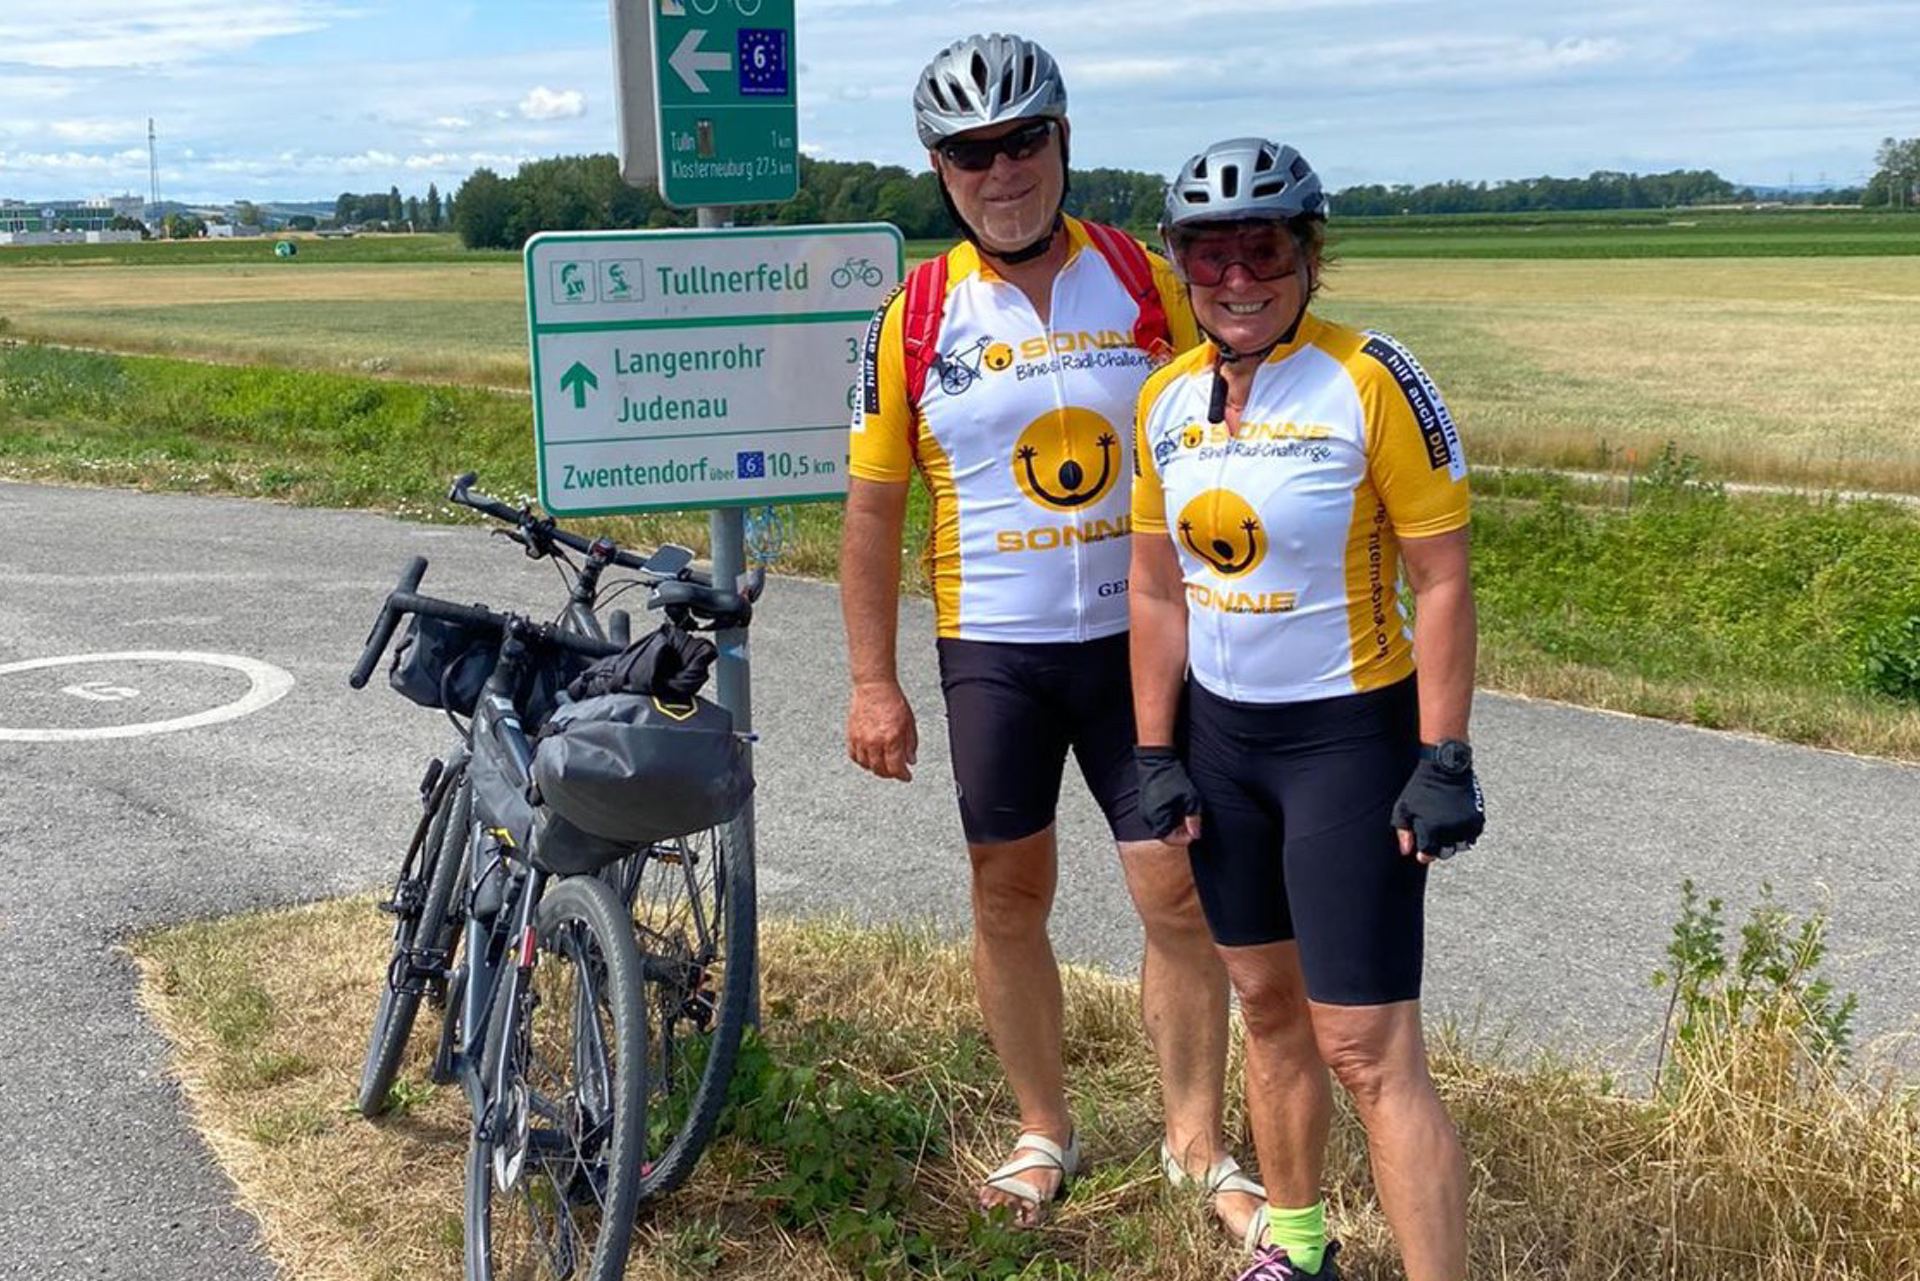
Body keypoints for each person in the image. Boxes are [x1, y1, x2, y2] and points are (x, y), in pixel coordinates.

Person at [840, 33, 1268, 1243]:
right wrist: (872, 682)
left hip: (1143, 641)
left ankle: (1196, 1141)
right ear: (940, 170)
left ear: (1063, 141)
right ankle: (1045, 1130)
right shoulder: (913, 317)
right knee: (1008, 891)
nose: (1003, 169)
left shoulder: (1140, 276)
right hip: (997, 650)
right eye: (972, 152)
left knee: (1175, 888)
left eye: (1023, 139)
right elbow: (870, 514)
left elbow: (1250, 413)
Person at [1129, 136, 1487, 1281]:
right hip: (1222, 745)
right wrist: (1154, 750)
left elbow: (1442, 578)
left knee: (1368, 1048)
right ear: (1181, 264)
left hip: (1348, 740)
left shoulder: (1372, 378)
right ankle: (1293, 1249)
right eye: (1211, 254)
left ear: (1309, 255)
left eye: (1265, 249)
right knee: (1267, 1006)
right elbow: (1155, 589)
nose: (1238, 277)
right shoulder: (1165, 399)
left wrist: (1444, 754)